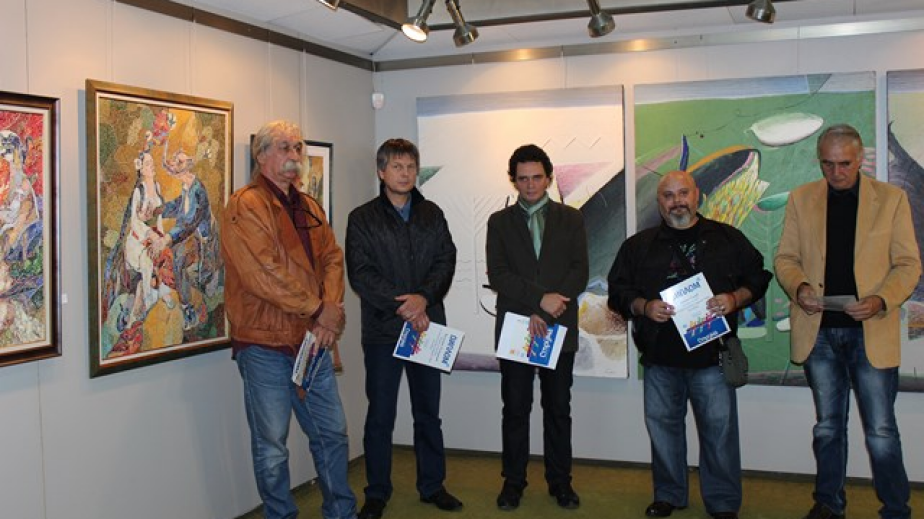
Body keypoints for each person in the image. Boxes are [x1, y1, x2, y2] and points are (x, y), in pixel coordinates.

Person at [774, 124, 921, 519]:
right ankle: (828, 503)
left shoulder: (891, 199)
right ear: (819, 160)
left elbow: (908, 265)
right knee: (827, 427)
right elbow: (785, 258)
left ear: (859, 159)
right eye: (827, 164)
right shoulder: (801, 199)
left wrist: (880, 300)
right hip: (818, 333)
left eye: (844, 163)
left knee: (881, 431)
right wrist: (800, 287)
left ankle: (896, 509)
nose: (835, 172)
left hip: (871, 332)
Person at [608, 170, 771, 519]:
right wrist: (643, 306)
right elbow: (617, 292)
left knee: (719, 432)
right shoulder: (638, 246)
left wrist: (735, 298)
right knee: (663, 429)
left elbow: (759, 276)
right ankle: (668, 494)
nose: (677, 201)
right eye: (668, 195)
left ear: (697, 195)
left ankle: (723, 502)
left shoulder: (728, 239)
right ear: (659, 202)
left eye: (683, 193)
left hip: (712, 357)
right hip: (660, 358)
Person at [221, 120, 356, 519]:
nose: (294, 155)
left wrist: (327, 316)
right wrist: (318, 309)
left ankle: (341, 512)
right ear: (261, 154)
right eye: (284, 147)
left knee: (332, 433)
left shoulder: (309, 206)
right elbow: (262, 274)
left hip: (313, 340)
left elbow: (333, 259)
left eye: (298, 147)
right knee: (272, 446)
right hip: (264, 343)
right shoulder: (245, 205)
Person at [346, 138, 461, 519]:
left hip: (427, 327)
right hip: (383, 331)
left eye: (410, 166)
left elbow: (446, 260)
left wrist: (423, 299)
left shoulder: (432, 213)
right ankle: (377, 492)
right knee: (380, 415)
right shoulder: (362, 218)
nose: (405, 173)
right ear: (381, 172)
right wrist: (405, 305)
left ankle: (433, 486)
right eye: (397, 166)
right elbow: (362, 274)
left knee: (428, 413)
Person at [485, 144, 588, 511]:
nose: (530, 185)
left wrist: (548, 309)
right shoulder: (499, 222)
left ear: (549, 178)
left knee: (558, 408)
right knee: (515, 408)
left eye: (537, 177)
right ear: (513, 180)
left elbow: (579, 271)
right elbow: (499, 275)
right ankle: (513, 482)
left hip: (559, 327)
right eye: (523, 178)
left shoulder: (571, 218)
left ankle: (561, 482)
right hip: (517, 326)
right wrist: (537, 302)